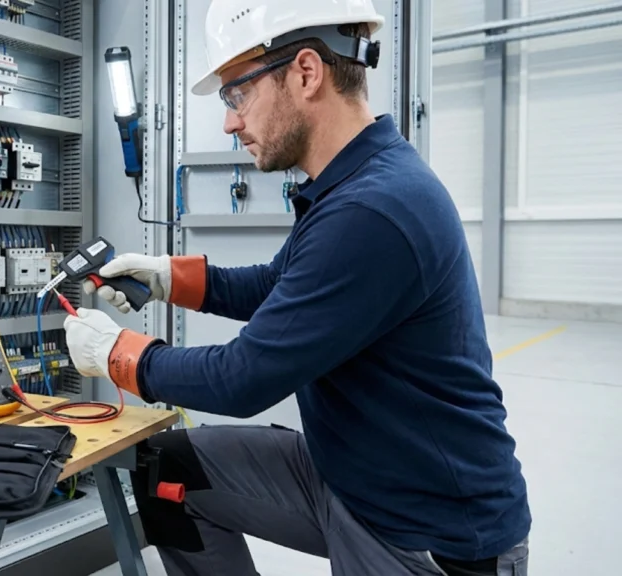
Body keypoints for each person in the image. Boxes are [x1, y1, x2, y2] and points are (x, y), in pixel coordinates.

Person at [62, 1, 531, 575]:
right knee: (169, 466)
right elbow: (278, 286)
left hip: (426, 533)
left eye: (238, 94)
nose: (230, 122)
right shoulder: (350, 183)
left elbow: (244, 378)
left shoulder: (374, 209)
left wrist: (118, 355)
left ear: (306, 72)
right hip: (352, 480)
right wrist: (166, 278)